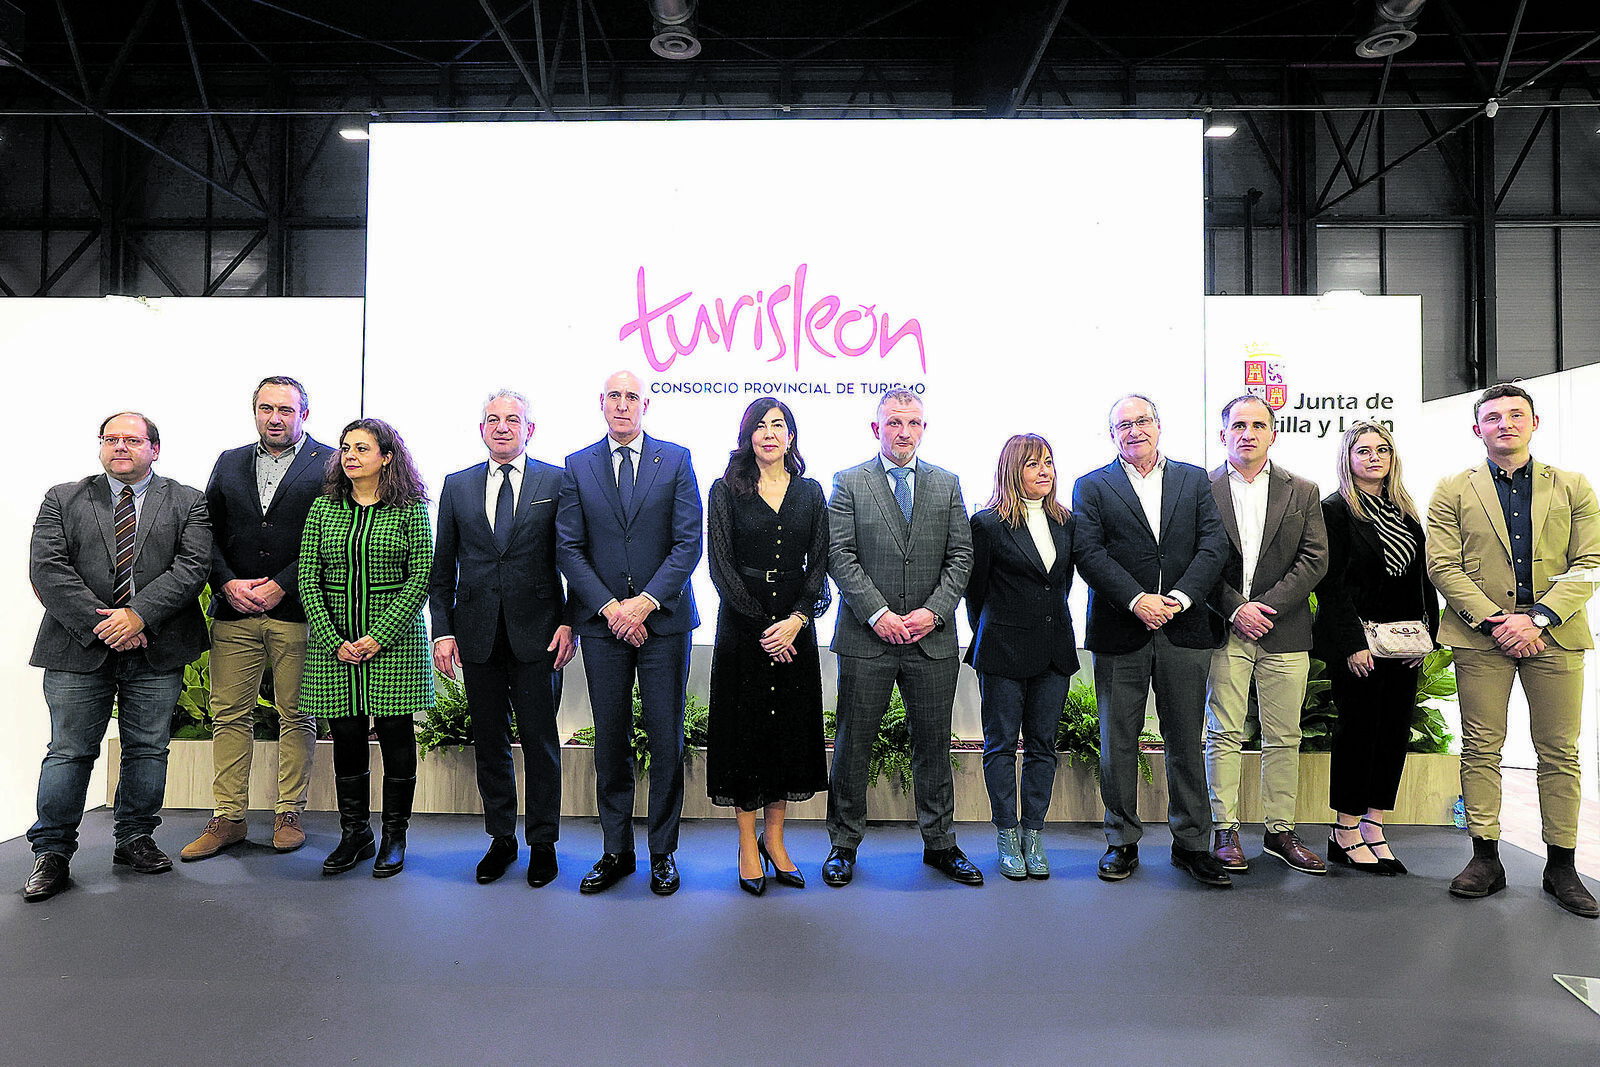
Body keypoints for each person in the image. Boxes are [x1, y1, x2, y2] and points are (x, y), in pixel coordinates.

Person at [1426, 383, 1600, 917]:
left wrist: (1538, 618)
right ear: (1477, 428)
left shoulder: (1572, 486)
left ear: (1534, 423)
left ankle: (1561, 866)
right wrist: (1500, 620)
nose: (1505, 423)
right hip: (1483, 635)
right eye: (1493, 416)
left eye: (1515, 415)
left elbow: (1590, 561)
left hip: (1556, 633)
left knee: (1558, 751)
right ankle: (1485, 857)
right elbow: (1442, 565)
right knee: (1481, 747)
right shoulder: (1453, 488)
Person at [23, 412, 211, 902]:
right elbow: (47, 569)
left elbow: (192, 569)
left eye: (132, 439)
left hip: (158, 644)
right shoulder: (62, 497)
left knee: (148, 749)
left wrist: (138, 616)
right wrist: (107, 623)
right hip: (75, 645)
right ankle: (52, 852)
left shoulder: (188, 501)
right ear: (100, 446)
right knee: (69, 752)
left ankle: (134, 838)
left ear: (155, 448)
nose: (120, 447)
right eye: (111, 439)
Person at [1072, 394, 1231, 887]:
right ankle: (1121, 841)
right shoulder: (1092, 486)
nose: (1135, 430)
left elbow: (1214, 545)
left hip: (1185, 629)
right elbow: (1089, 554)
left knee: (1186, 738)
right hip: (1122, 629)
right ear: (1112, 433)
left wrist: (1180, 599)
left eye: (1143, 421)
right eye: (1124, 424)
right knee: (1118, 740)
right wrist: (1137, 599)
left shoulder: (1193, 479)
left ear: (1159, 425)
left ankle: (1192, 845)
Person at [823, 388, 980, 888]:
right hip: (868, 639)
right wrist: (878, 614)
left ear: (924, 428)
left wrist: (933, 614)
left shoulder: (947, 483)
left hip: (931, 642)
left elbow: (962, 558)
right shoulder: (848, 483)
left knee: (933, 746)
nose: (904, 432)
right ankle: (843, 844)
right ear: (877, 428)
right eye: (894, 423)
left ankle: (941, 844)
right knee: (853, 744)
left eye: (913, 423)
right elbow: (839, 556)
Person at [556, 370, 703, 896]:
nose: (623, 404)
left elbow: (689, 543)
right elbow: (568, 548)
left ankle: (663, 852)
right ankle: (616, 850)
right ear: (601, 404)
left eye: (632, 396)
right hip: (602, 626)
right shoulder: (577, 466)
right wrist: (612, 608)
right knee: (610, 739)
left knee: (666, 739)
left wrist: (642, 604)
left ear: (646, 404)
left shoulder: (677, 459)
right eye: (614, 396)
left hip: (663, 623)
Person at [180, 376, 331, 862]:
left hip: (298, 608)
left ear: (304, 414)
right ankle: (229, 817)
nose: (275, 418)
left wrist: (284, 582)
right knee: (228, 715)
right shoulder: (229, 461)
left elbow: (331, 533)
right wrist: (224, 581)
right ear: (255, 412)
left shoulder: (330, 463)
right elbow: (207, 529)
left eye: (285, 410)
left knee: (297, 714)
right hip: (234, 609)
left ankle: (290, 811)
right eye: (266, 408)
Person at [430, 390, 576, 888]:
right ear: (481, 428)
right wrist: (443, 631)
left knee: (540, 743)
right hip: (476, 635)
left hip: (541, 635)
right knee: (489, 742)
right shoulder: (457, 485)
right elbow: (441, 567)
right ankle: (502, 839)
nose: (503, 427)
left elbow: (575, 558)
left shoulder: (557, 481)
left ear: (530, 429)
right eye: (493, 419)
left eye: (513, 420)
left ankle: (542, 842)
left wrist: (570, 621)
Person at [705, 397, 830, 896]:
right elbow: (720, 567)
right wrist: (764, 629)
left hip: (796, 630)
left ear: (791, 436)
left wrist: (797, 620)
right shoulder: (725, 490)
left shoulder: (811, 492)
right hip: (743, 631)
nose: (769, 433)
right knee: (745, 733)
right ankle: (747, 844)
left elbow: (819, 564)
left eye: (778, 425)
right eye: (759, 426)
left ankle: (776, 840)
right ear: (747, 436)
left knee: (787, 736)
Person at [300, 418, 434, 878]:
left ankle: (395, 835)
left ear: (387, 457)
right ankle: (355, 832)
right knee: (347, 737)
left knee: (397, 737)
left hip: (393, 643)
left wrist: (378, 636)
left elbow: (420, 578)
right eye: (345, 448)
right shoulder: (323, 509)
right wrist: (333, 639)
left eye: (361, 447)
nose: (349, 455)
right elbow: (307, 578)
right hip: (334, 643)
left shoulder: (412, 509)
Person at [1203, 396, 1329, 875]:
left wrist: (1265, 608)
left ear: (1273, 433)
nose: (1248, 433)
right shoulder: (1200, 488)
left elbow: (1315, 559)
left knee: (1284, 736)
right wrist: (1237, 609)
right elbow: (1195, 559)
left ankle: (1280, 831)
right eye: (1238, 425)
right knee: (1224, 732)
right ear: (1223, 434)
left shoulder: (1302, 490)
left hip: (1285, 629)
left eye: (1259, 425)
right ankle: (1225, 830)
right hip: (1224, 627)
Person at [1314, 420, 1438, 876]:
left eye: (1381, 449)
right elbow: (1331, 585)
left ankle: (1374, 827)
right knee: (1359, 732)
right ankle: (1343, 831)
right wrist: (1352, 643)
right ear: (1347, 459)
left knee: (1392, 734)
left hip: (1403, 644)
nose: (1373, 457)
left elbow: (1423, 580)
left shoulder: (1404, 510)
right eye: (1362, 450)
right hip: (1359, 645)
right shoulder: (1335, 510)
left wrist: (1425, 636)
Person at [964, 433, 1078, 881]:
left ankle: (1033, 832)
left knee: (1043, 747)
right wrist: (995, 633)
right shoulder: (987, 524)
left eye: (1048, 462)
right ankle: (1007, 832)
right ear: (1013, 470)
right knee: (1000, 745)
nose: (1044, 470)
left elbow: (1061, 584)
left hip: (1055, 651)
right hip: (1003, 650)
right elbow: (976, 595)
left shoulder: (1066, 521)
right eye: (1033, 464)